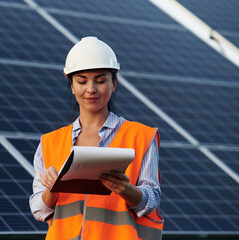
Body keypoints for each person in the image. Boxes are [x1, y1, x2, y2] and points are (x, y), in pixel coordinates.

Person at [29, 36, 163, 239]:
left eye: (100, 81)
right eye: (82, 81)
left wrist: (126, 189)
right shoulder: (50, 143)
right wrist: (52, 189)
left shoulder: (141, 137)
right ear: (72, 86)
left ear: (114, 83)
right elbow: (39, 210)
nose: (91, 89)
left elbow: (151, 200)